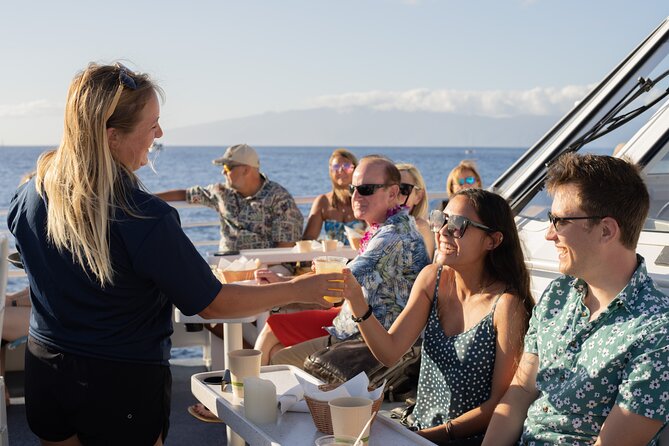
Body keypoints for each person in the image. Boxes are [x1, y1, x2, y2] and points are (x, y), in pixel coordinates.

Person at [7, 62, 338, 445]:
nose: (159, 133)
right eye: (152, 125)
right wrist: (301, 287)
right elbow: (212, 303)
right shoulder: (143, 216)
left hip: (47, 369)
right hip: (119, 383)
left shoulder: (29, 196)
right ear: (112, 137)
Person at [482, 153, 669, 445]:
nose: (549, 235)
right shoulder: (559, 294)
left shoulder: (658, 331)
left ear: (607, 230)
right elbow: (521, 391)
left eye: (560, 222)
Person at [338, 188, 533, 444]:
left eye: (457, 225)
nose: (441, 231)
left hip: (467, 438)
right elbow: (389, 351)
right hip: (418, 427)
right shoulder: (433, 279)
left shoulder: (506, 306)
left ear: (493, 241)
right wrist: (356, 300)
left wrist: (426, 437)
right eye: (441, 219)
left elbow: (499, 403)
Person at [254, 156, 430, 368]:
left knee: (278, 358)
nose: (355, 196)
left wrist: (281, 284)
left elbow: (338, 284)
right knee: (275, 348)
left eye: (366, 189)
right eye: (352, 189)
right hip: (356, 330)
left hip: (365, 344)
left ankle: (251, 395)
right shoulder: (391, 227)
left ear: (393, 193)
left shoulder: (392, 237)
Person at [156, 143, 303, 253]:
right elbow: (185, 194)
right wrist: (145, 198)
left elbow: (285, 248)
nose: (223, 172)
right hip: (227, 265)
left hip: (268, 269)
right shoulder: (221, 192)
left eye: (227, 168)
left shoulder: (279, 199)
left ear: (246, 169)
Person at [302, 148, 365, 244]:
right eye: (336, 166)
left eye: (346, 166)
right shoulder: (323, 201)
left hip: (362, 257)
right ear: (330, 171)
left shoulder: (365, 198)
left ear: (355, 169)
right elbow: (308, 239)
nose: (340, 170)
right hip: (333, 259)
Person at [396, 163, 434, 261]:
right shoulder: (380, 225)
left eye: (403, 189)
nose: (395, 195)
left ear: (418, 196)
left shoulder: (420, 228)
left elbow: (423, 272)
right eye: (389, 188)